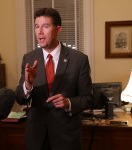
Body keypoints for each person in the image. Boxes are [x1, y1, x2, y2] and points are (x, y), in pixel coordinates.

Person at [16, 7, 93, 150]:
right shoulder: (29, 58)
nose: (39, 32)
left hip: (66, 136)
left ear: (57, 30)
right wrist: (28, 84)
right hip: (36, 136)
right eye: (37, 26)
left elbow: (88, 98)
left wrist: (68, 102)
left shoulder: (79, 60)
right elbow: (20, 99)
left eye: (45, 26)